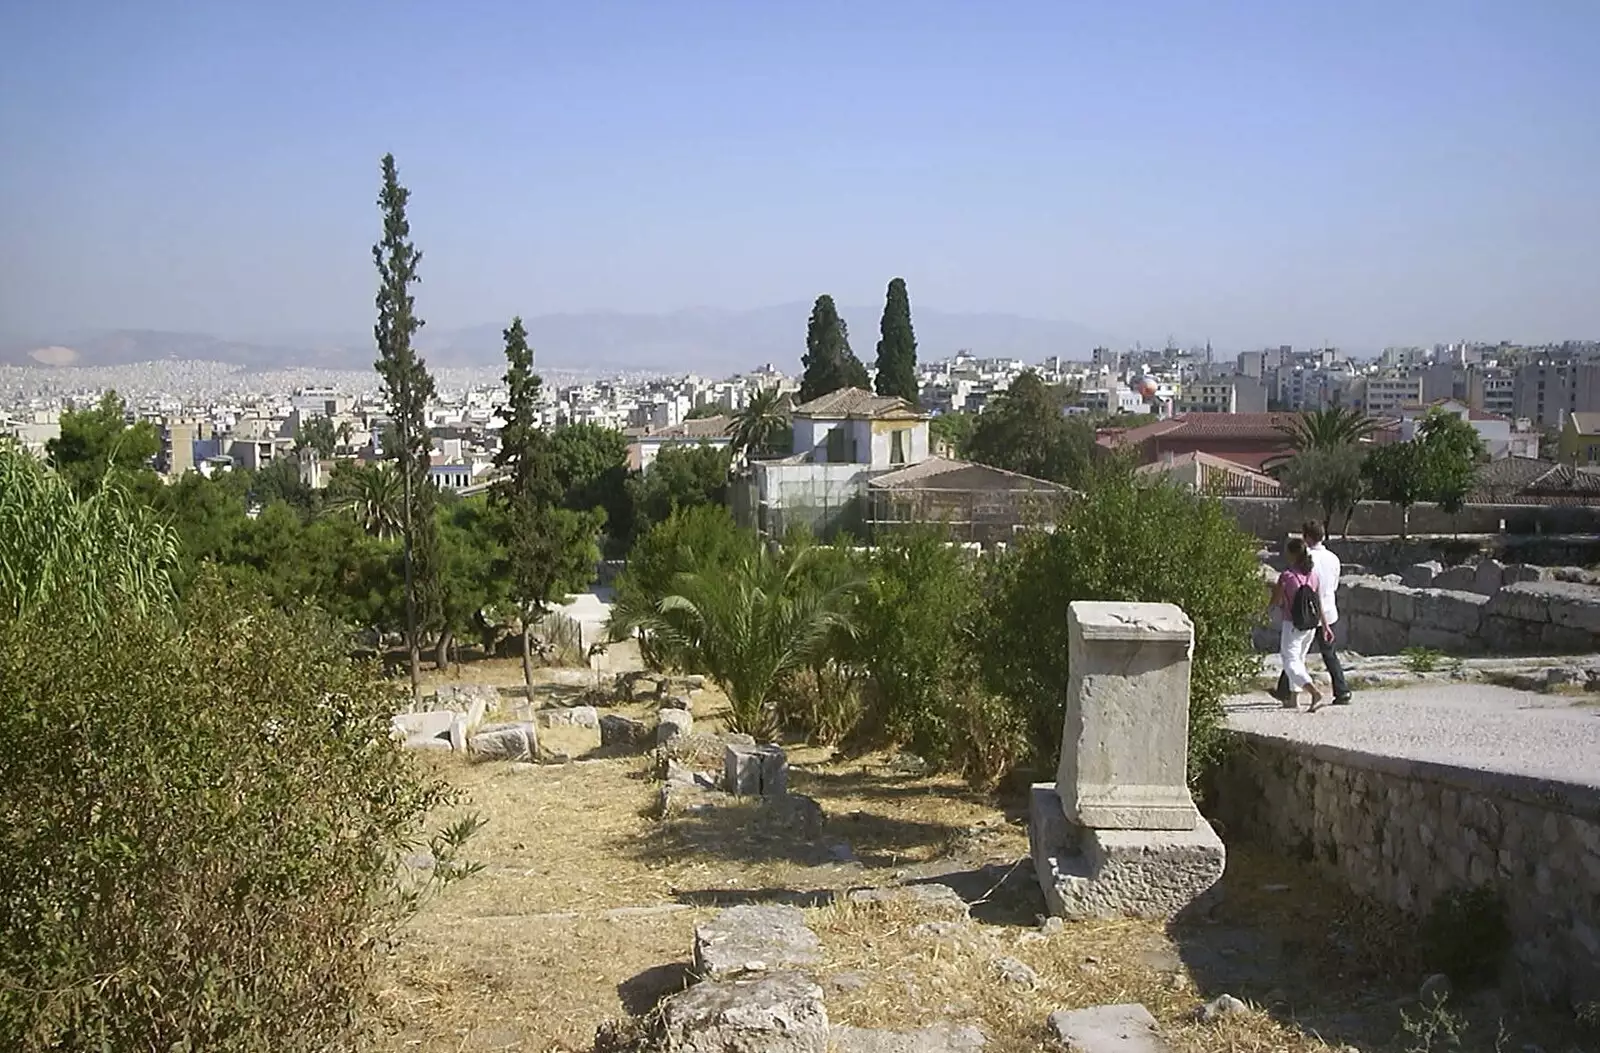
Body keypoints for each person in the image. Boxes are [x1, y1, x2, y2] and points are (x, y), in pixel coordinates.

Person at [1273, 521, 1351, 706]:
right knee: (1329, 654)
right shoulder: (1333, 558)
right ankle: (1342, 690)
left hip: (1304, 612)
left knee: (1294, 653)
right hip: (1327, 611)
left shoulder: (1305, 557)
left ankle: (1289, 692)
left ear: (1306, 536)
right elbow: (1333, 585)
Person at [1270, 536, 1335, 710]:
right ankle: (1293, 699)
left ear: (1292, 554)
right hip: (1311, 625)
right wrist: (1326, 625)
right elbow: (1318, 601)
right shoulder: (1313, 575)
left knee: (1290, 662)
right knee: (1299, 660)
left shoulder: (1287, 576)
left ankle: (1313, 691)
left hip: (1292, 624)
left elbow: (1276, 600)